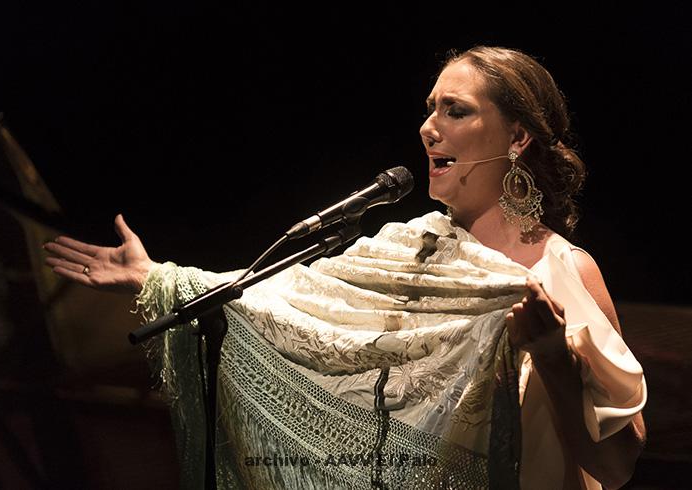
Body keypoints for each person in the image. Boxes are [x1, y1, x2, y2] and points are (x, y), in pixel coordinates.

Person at [43, 45, 647, 489]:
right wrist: (158, 276)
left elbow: (616, 466)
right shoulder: (403, 251)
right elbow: (288, 307)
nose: (428, 127)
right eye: (429, 108)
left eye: (455, 111)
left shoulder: (563, 272)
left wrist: (552, 357)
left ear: (517, 137)